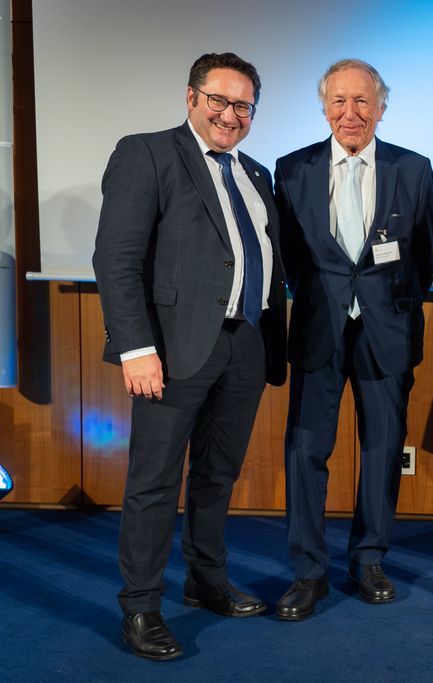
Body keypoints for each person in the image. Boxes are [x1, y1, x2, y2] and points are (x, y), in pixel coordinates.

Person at [93, 52, 287, 660]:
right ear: (191, 97)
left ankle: (205, 580)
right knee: (153, 483)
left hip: (245, 345)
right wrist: (136, 347)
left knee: (217, 475)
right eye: (220, 101)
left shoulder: (256, 174)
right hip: (171, 352)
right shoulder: (146, 153)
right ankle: (142, 607)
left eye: (243, 106)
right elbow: (116, 260)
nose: (231, 114)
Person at [274, 59, 433, 620]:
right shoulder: (290, 169)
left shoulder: (414, 169)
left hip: (387, 331)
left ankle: (369, 558)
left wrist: (386, 303)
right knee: (305, 451)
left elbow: (423, 254)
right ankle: (307, 571)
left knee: (383, 448)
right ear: (324, 108)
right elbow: (291, 258)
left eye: (363, 101)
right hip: (319, 329)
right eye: (339, 101)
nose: (351, 112)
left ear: (382, 107)